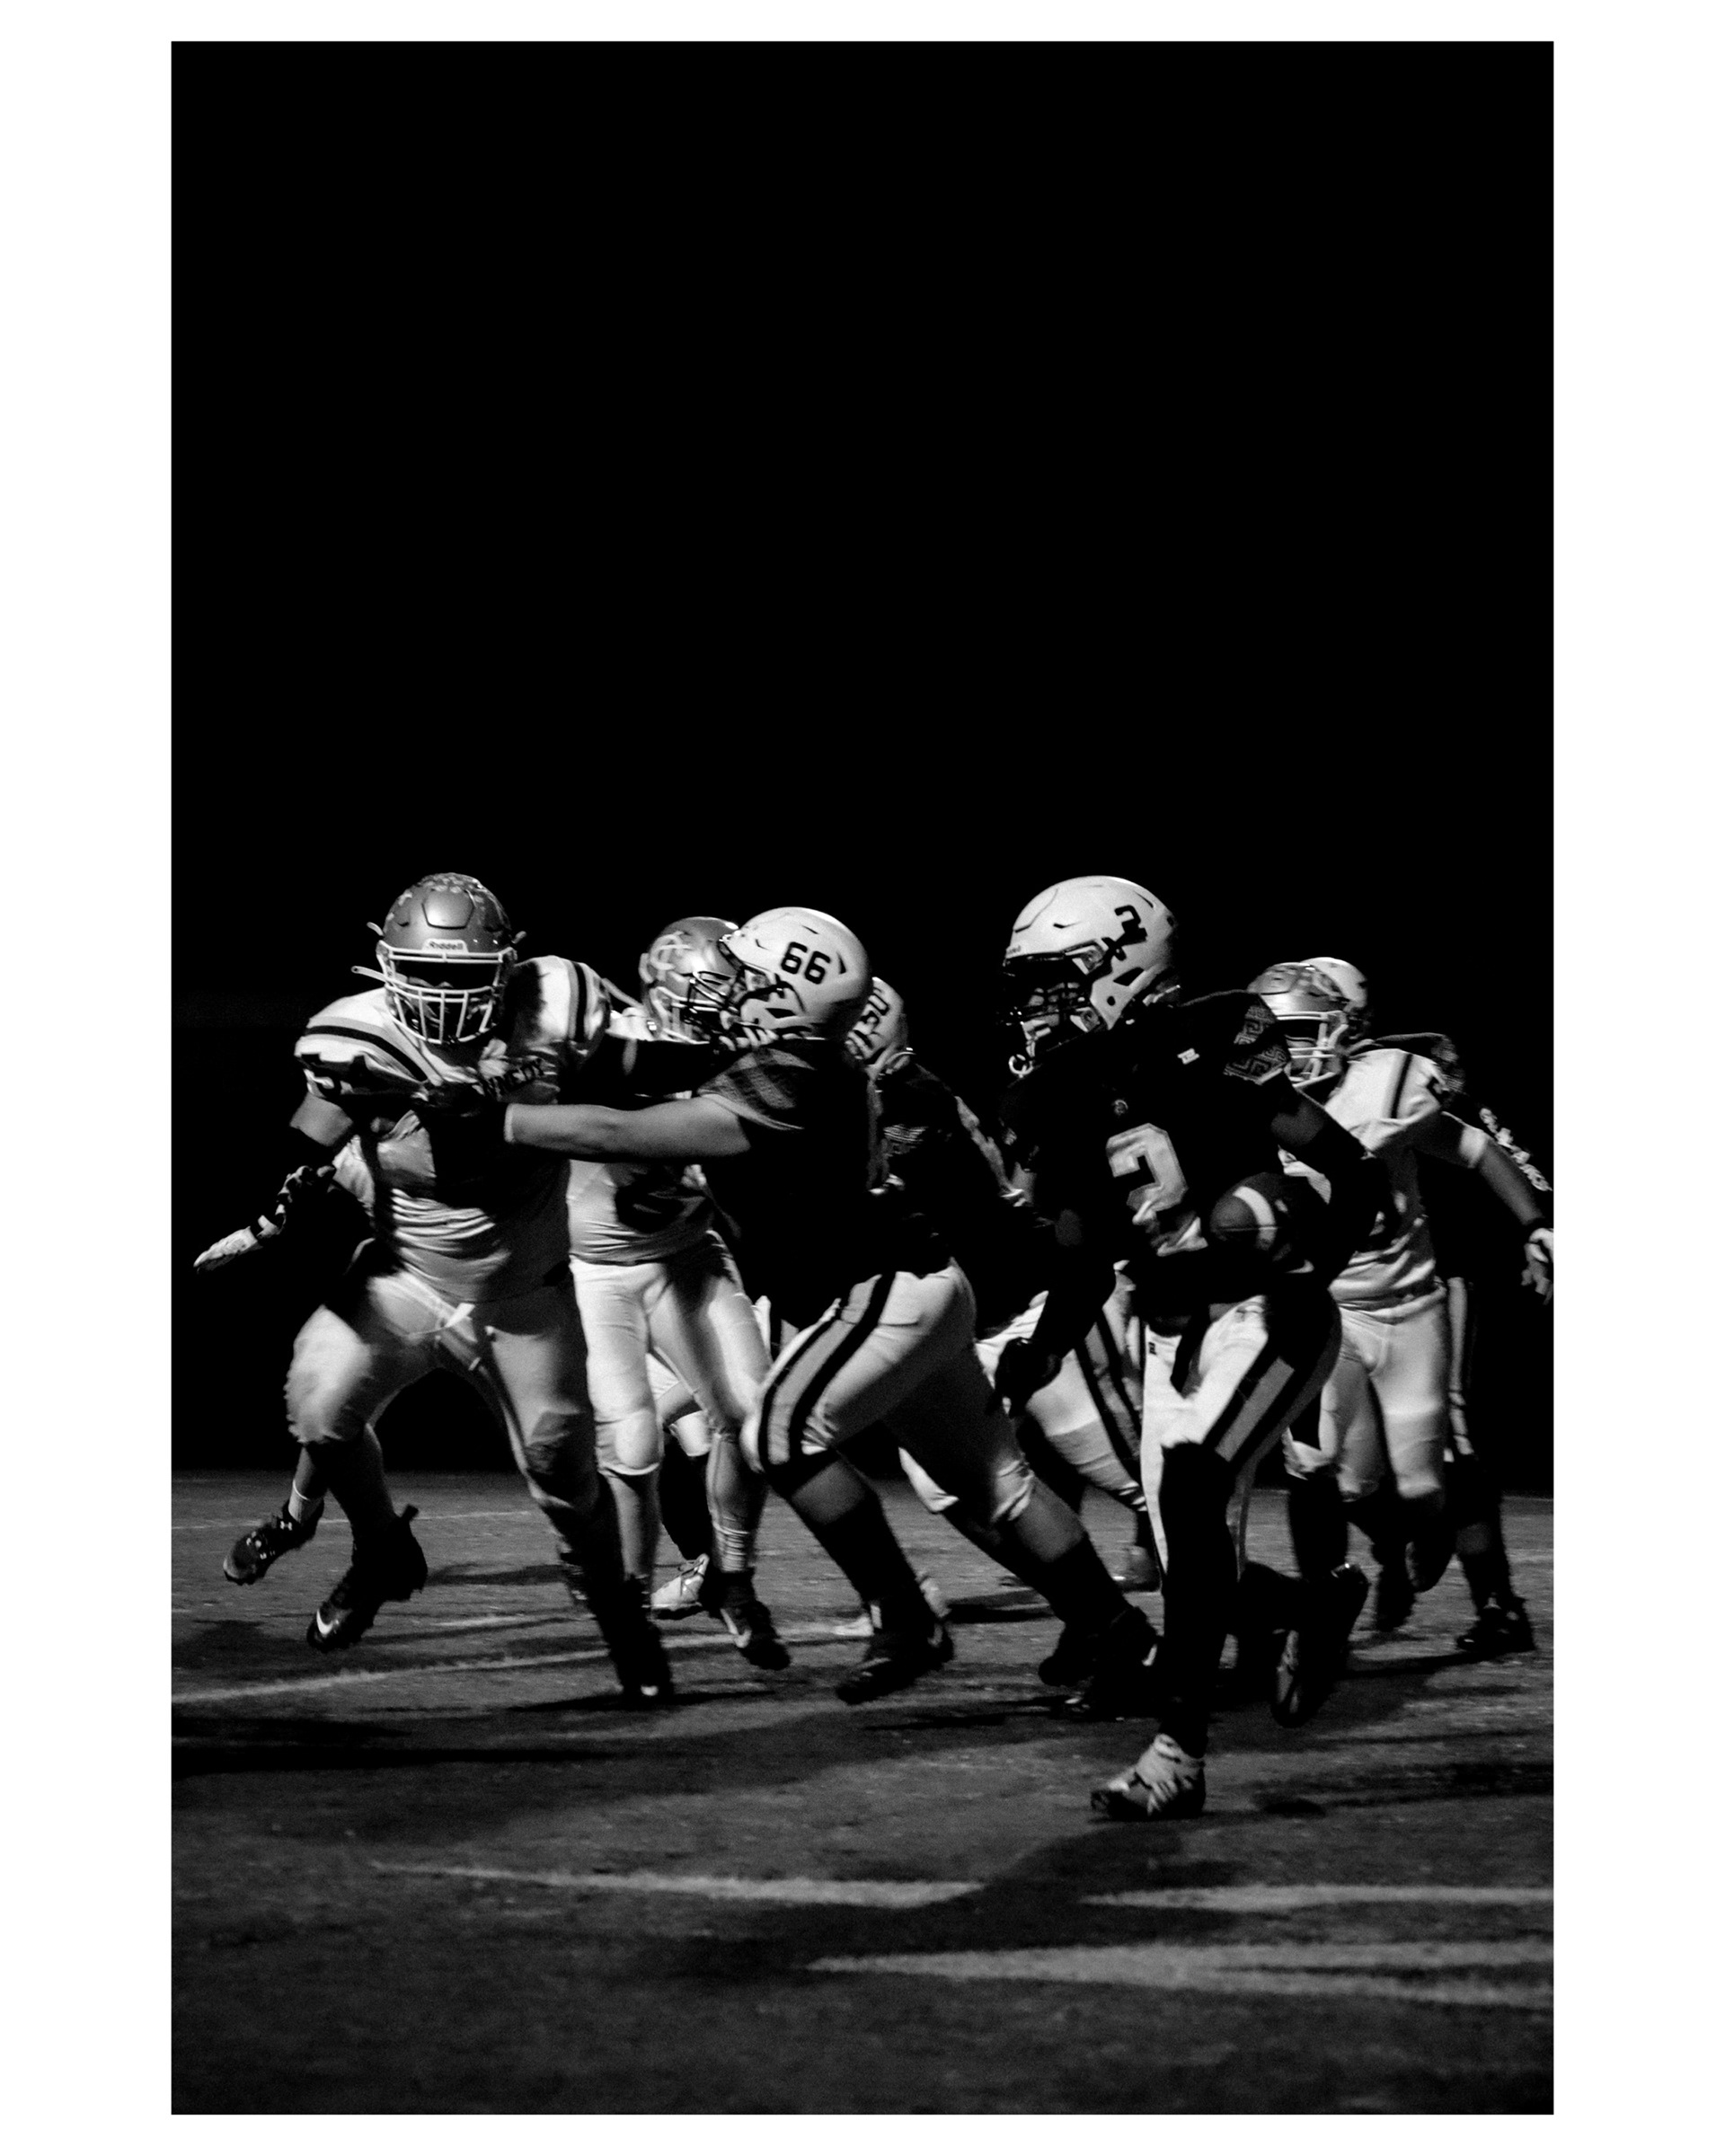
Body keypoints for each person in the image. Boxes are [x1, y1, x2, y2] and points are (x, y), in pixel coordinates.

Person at [426, 906, 1155, 1707]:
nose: (726, 988)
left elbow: (618, 1131)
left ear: (786, 992)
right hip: (906, 1285)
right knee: (997, 1484)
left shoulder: (796, 1073)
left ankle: (903, 1614)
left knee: (779, 1434)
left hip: (882, 1288)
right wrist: (542, 1058)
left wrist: (503, 1120)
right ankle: (1115, 1629)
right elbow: (644, 1064)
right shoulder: (787, 1059)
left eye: (743, 975)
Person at [196, 872, 672, 1703]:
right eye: (426, 971)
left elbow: (651, 1070)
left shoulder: (554, 1003)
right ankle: (382, 1549)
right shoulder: (356, 1036)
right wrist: (276, 1215)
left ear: (506, 967)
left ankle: (619, 1617)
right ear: (386, 964)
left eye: (463, 974)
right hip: (406, 1276)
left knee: (564, 1477)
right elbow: (311, 1139)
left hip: (523, 1294)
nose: (444, 993)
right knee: (317, 1404)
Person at [992, 876, 1390, 1823]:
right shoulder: (1056, 1095)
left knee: (1191, 1488)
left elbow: (1352, 1171)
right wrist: (1043, 1350)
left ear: (1119, 968)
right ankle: (1310, 1607)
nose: (1038, 1008)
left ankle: (1175, 1757)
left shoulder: (1217, 1035)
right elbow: (1084, 1261)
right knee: (1191, 1565)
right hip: (1170, 1337)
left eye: (1053, 983)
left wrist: (1304, 1263)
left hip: (1266, 1314)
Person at [845, 978, 1155, 1675]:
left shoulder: (908, 1101)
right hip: (965, 1325)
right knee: (950, 1484)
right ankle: (1091, 1613)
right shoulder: (875, 1096)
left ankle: (1265, 1606)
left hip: (1035, 1304)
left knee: (1140, 1476)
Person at [1249, 961, 1553, 1636]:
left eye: (1299, 1032)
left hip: (1411, 1300)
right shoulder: (1249, 1104)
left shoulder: (1387, 1082)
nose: (1286, 1052)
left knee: (1422, 1486)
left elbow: (1473, 1145)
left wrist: (1535, 1225)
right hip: (1327, 1313)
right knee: (1333, 1474)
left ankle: (1459, 1566)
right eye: (1272, 1035)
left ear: (1341, 1029)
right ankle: (1330, 1613)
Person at [565, 915, 783, 1668]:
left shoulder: (749, 1058)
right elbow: (597, 1088)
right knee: (630, 1442)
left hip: (689, 1258)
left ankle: (732, 1578)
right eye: (719, 989)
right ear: (668, 984)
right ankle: (631, 1614)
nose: (734, 1004)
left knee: (751, 1419)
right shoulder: (609, 1043)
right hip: (597, 1274)